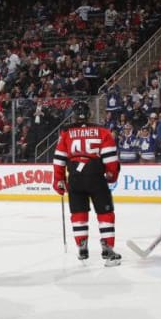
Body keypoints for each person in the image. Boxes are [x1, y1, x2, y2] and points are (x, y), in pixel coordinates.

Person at [52, 101, 122, 266]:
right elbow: (111, 158)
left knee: (78, 214)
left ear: (74, 115)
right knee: (105, 214)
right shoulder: (102, 131)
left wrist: (59, 180)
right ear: (90, 114)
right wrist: (111, 176)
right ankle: (107, 247)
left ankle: (81, 245)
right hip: (95, 176)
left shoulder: (66, 134)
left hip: (75, 178)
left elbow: (59, 159)